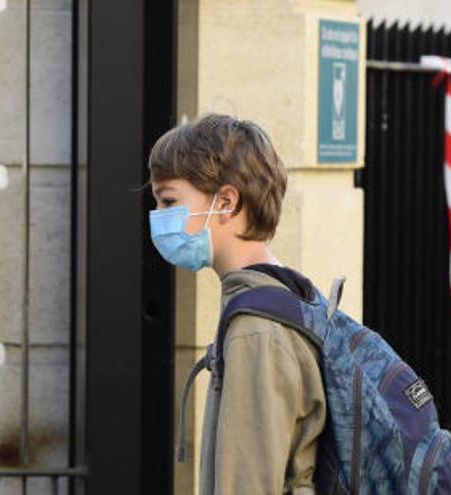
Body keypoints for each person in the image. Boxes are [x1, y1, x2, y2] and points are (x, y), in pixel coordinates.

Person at [148, 114, 325, 494]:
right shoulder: (285, 298)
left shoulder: (255, 329)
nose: (158, 219)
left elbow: (248, 484)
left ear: (226, 202)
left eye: (168, 201)